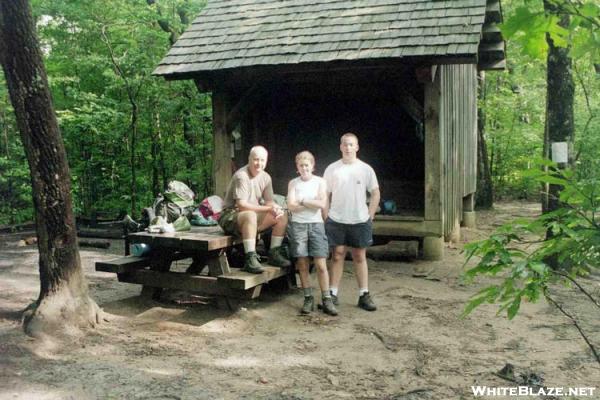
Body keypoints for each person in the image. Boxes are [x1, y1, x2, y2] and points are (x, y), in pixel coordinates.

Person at [324, 133, 380, 311]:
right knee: (337, 255)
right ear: (340, 147)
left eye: (351, 145)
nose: (348, 148)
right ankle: (332, 293)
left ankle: (364, 294)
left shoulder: (365, 169)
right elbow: (325, 194)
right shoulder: (332, 169)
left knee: (359, 256)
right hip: (337, 218)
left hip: (359, 219)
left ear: (357, 147)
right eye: (345, 145)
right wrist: (326, 215)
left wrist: (370, 214)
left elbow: (375, 192)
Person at [218, 146, 291, 274]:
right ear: (249, 159)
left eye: (262, 160)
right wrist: (268, 208)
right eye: (256, 160)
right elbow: (241, 205)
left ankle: (274, 253)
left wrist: (275, 208)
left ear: (266, 161)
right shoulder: (242, 176)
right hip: (230, 216)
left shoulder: (266, 177)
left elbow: (269, 201)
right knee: (250, 215)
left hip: (251, 217)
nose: (259, 164)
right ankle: (250, 258)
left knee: (282, 215)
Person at [287, 151, 338, 316]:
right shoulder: (293, 183)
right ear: (297, 167)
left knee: (321, 264)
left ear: (312, 166)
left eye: (307, 165)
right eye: (301, 165)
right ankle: (308, 297)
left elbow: (322, 203)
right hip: (298, 226)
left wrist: (302, 201)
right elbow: (291, 206)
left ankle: (326, 298)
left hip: (316, 225)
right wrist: (311, 203)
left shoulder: (320, 182)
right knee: (302, 264)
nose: (304, 168)